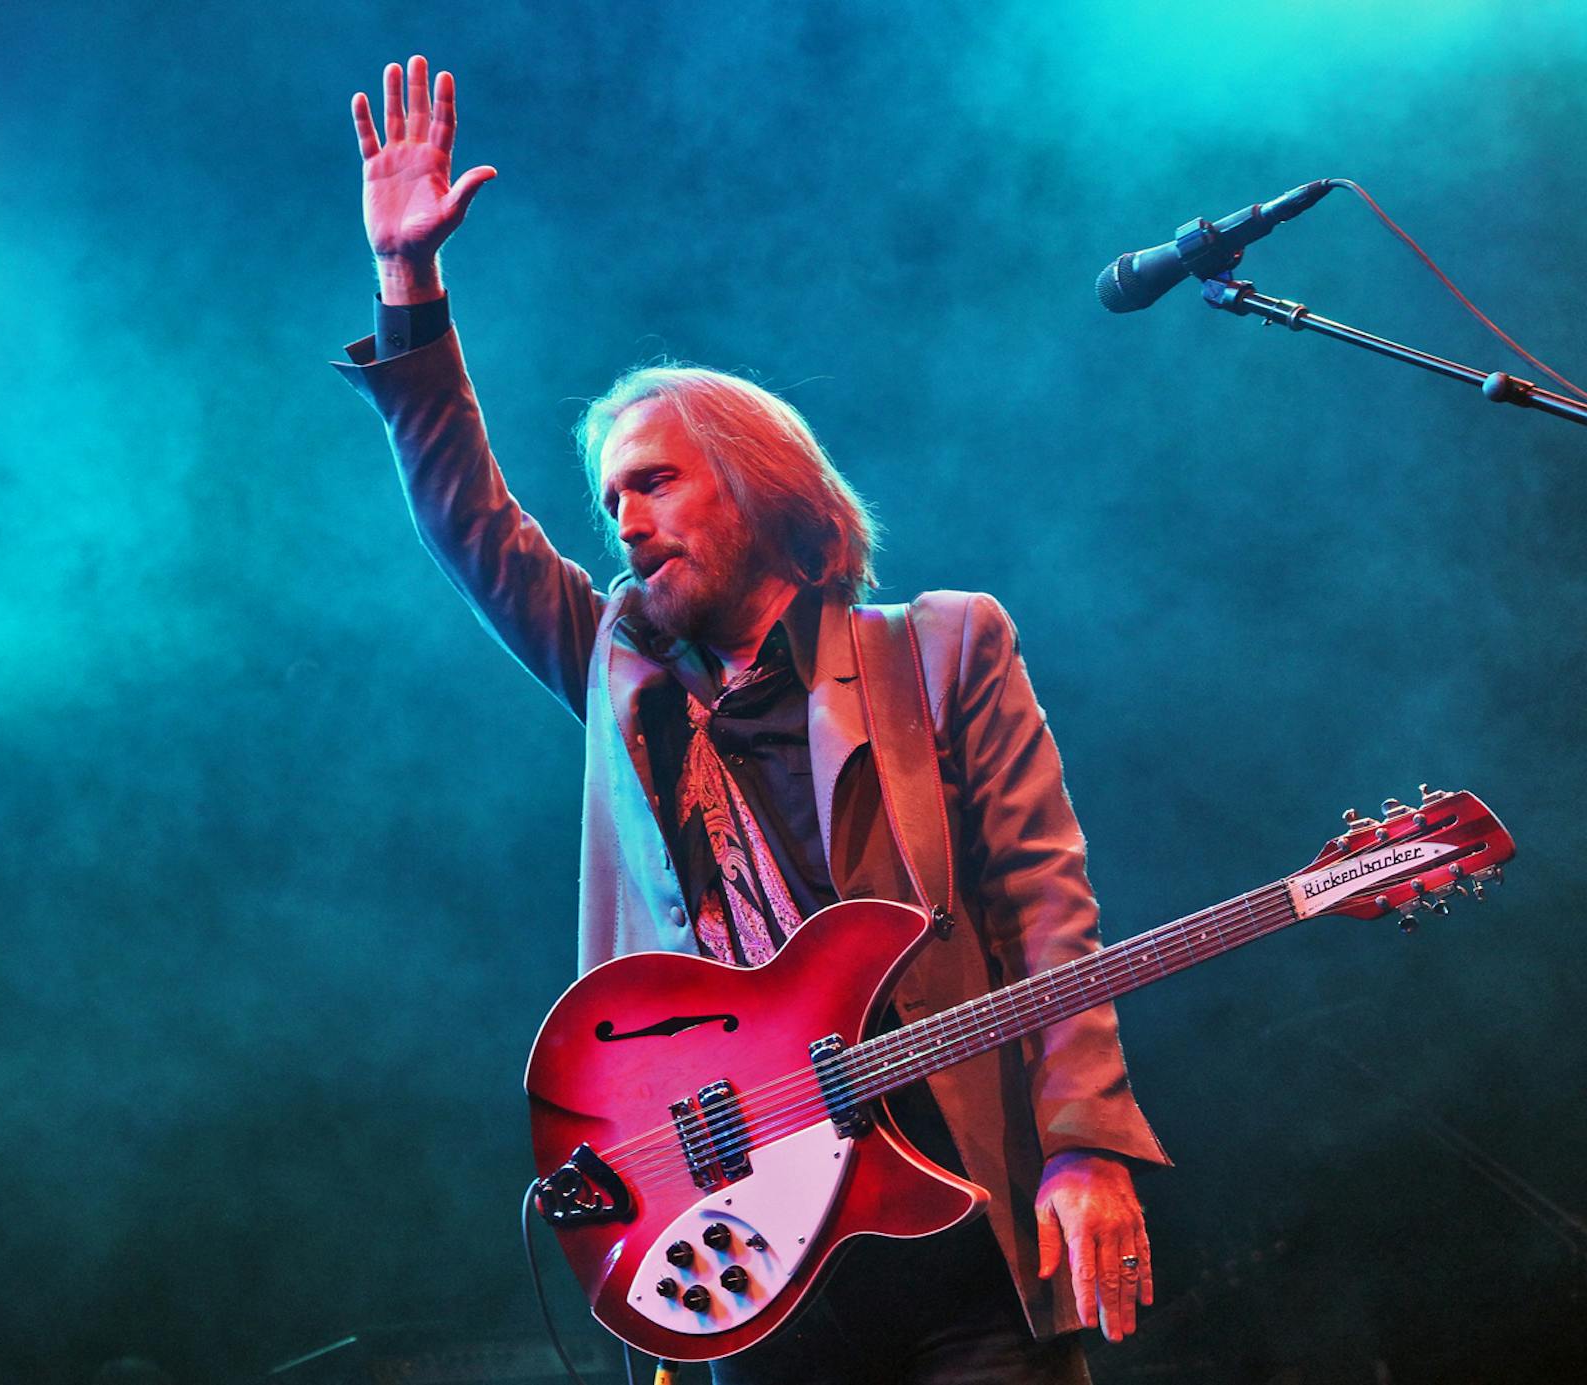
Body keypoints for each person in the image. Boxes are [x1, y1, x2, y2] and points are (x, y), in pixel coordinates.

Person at [334, 56, 1168, 1385]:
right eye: (610, 500)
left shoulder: (944, 647)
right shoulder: (619, 669)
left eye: (654, 482)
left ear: (757, 486)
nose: (624, 519)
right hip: (754, 1252)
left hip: (962, 1228)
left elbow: (1048, 911)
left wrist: (1084, 1144)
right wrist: (410, 284)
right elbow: (468, 522)